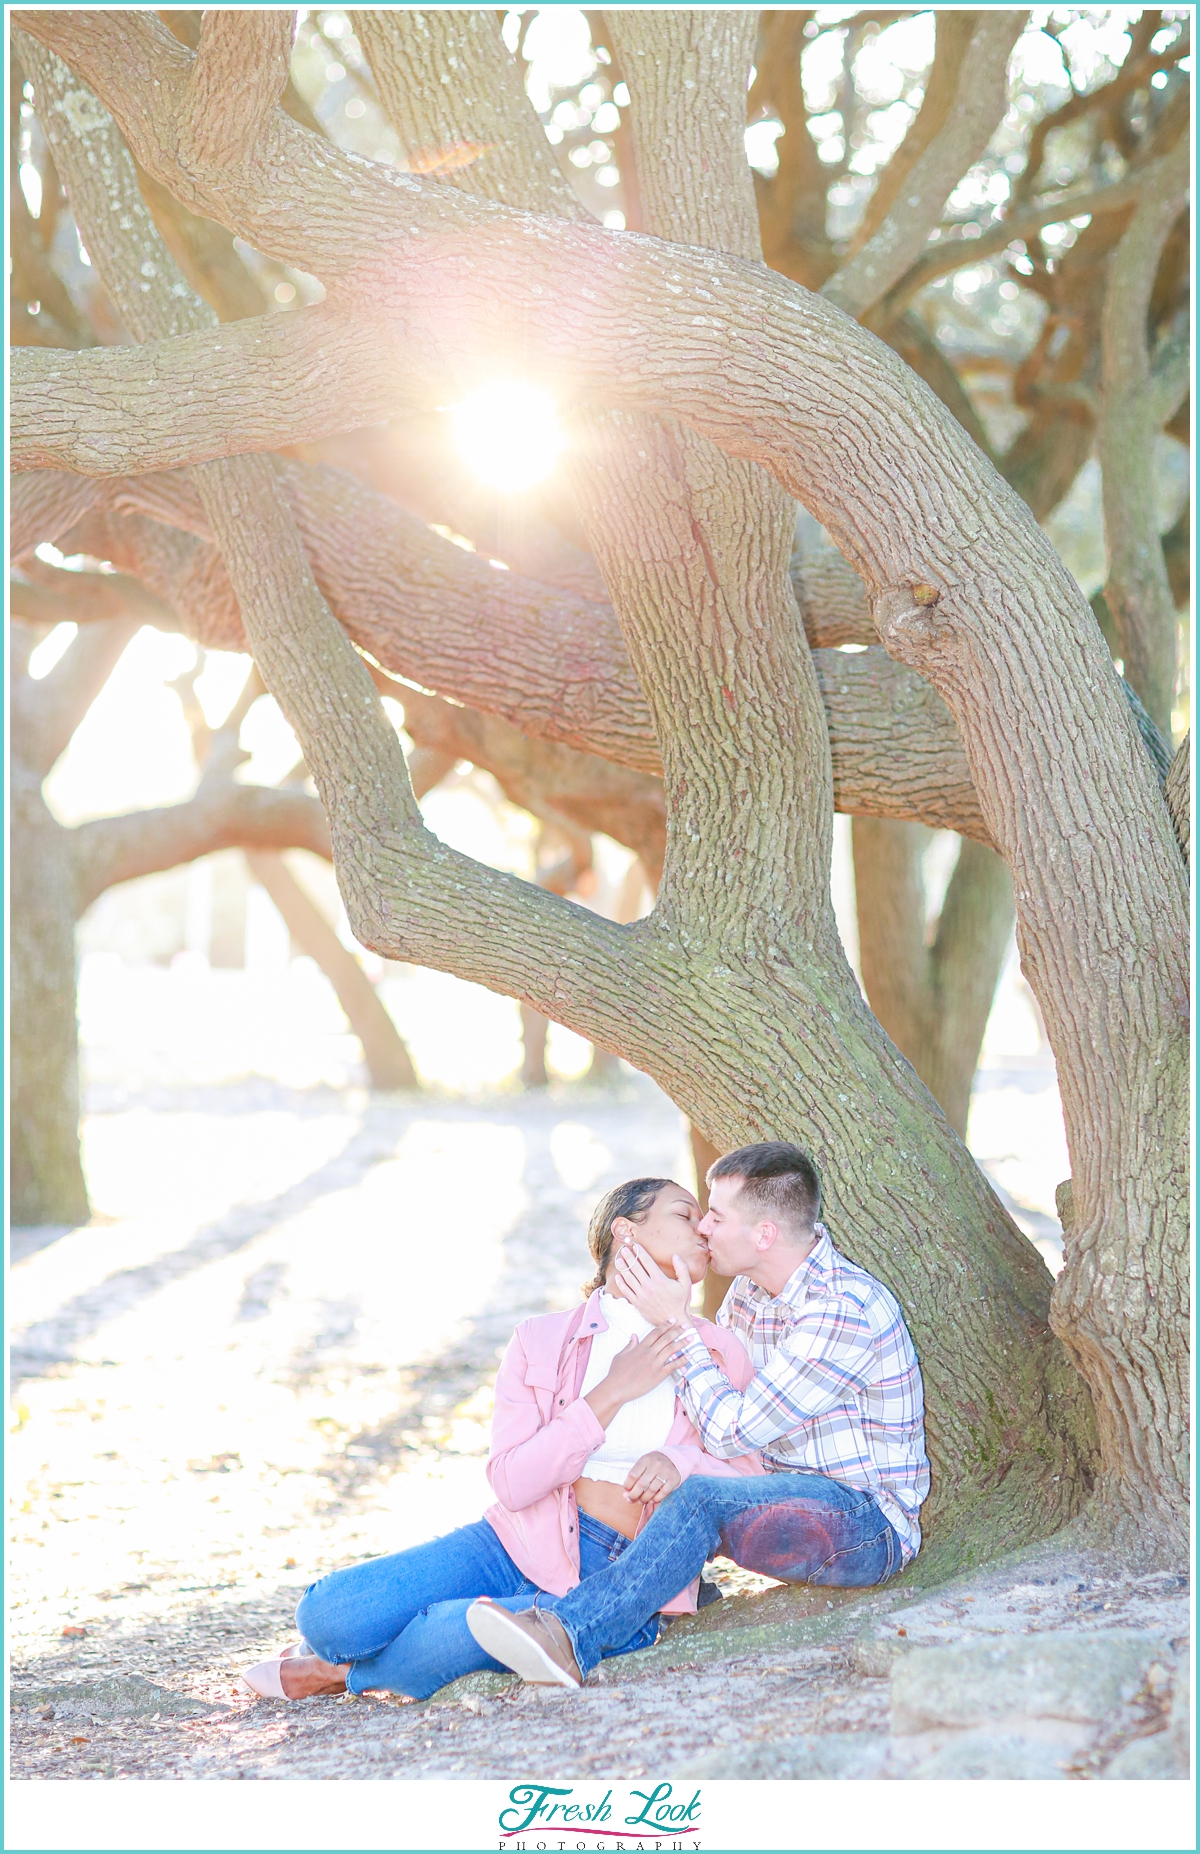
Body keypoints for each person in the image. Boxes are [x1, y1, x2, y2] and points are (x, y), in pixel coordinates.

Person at [242, 1175, 762, 1701]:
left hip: (622, 1575)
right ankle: (362, 1653)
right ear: (625, 1232)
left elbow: (752, 1481)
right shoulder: (540, 1340)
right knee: (328, 1615)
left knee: (447, 1629)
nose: (702, 1227)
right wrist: (610, 1393)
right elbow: (512, 1483)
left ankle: (340, 1674)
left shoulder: (719, 1351)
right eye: (683, 1213)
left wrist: (680, 1462)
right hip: (511, 1542)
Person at [466, 1140, 929, 1690]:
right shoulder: (747, 1298)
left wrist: (677, 1325)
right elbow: (710, 1426)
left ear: (764, 1234)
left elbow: (730, 1431)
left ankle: (569, 1637)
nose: (704, 1228)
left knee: (700, 1497)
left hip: (863, 1523)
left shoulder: (843, 1309)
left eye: (715, 1215)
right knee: (697, 1489)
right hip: (772, 1497)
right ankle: (676, 1585)